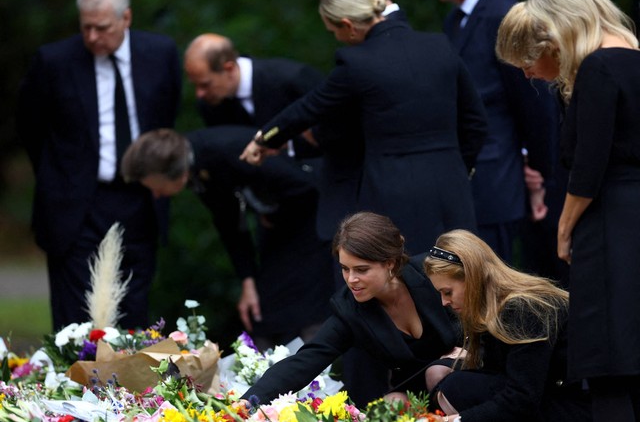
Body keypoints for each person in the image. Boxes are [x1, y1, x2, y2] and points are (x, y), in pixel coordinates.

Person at [241, 0, 487, 257]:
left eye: (334, 30)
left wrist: (264, 139)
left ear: (349, 25)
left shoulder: (357, 63)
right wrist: (460, 168)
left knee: (404, 278)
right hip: (452, 183)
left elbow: (309, 108)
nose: (337, 37)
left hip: (392, 188)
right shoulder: (440, 45)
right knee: (461, 273)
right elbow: (475, 122)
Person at [496, 0, 640, 419]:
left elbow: (588, 169)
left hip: (609, 220)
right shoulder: (632, 55)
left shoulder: (598, 66)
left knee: (608, 357)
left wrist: (563, 228)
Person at [16, 0, 181, 330]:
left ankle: (131, 384)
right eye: (85, 27)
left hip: (140, 199)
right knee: (75, 322)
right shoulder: (54, 61)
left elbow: (167, 117)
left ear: (126, 19)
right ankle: (74, 382)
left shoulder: (160, 54)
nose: (92, 36)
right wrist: (58, 180)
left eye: (101, 28)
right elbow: (31, 127)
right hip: (75, 205)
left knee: (133, 310)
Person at [121, 127, 334, 351]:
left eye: (155, 187)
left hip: (316, 221)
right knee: (262, 313)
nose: (156, 195)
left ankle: (316, 377)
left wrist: (274, 211)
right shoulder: (196, 167)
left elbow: (305, 184)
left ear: (177, 173)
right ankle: (264, 373)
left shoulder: (228, 151)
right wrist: (247, 280)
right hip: (279, 229)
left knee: (306, 312)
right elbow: (229, 223)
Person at [239, 211, 458, 407]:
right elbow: (305, 361)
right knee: (389, 405)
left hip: (472, 370)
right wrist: (246, 403)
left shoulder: (430, 272)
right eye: (345, 269)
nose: (351, 279)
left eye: (361, 270)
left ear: (390, 263)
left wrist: (469, 350)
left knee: (438, 373)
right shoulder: (350, 309)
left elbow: (483, 311)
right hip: (420, 393)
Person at [438, 0, 561, 264]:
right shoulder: (454, 21)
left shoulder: (502, 13)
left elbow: (533, 97)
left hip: (500, 175)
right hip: (474, 174)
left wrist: (535, 165)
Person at [423, 229, 591, 422]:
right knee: (452, 378)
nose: (444, 302)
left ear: (472, 278)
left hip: (575, 405)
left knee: (458, 386)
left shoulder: (522, 309)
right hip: (548, 395)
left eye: (448, 292)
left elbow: (522, 398)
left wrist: (457, 420)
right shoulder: (494, 307)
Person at [183, 33, 323, 159]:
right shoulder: (210, 104)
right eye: (195, 85)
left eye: (205, 85)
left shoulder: (291, 78)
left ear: (229, 69)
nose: (199, 94)